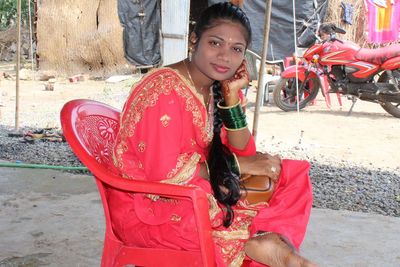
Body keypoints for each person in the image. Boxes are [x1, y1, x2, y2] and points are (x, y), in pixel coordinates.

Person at [110, 2, 317, 267]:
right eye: (215, 43)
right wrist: (238, 166)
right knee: (244, 222)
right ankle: (270, 243)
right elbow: (164, 175)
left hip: (196, 187)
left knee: (291, 174)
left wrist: (231, 98)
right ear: (194, 40)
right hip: (152, 206)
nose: (224, 57)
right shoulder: (163, 90)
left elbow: (245, 150)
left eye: (236, 49)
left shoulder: (211, 87)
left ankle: (268, 240)